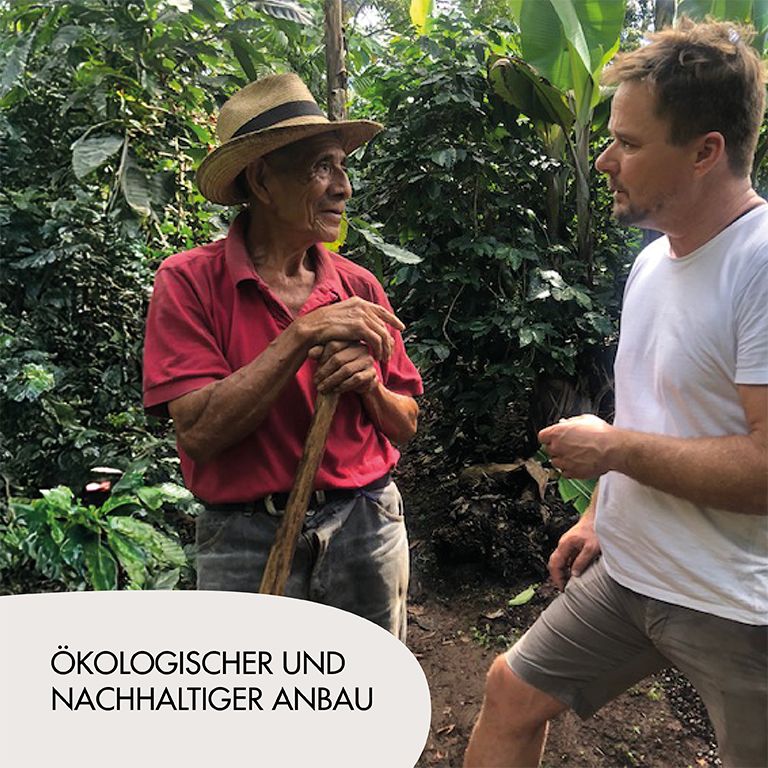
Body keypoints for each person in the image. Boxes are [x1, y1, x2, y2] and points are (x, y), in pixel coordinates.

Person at [465, 19, 767, 768]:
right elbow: (649, 408)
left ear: (705, 152)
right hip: (633, 573)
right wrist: (602, 513)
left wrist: (613, 452)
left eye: (628, 144)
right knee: (510, 694)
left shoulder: (758, 265)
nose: (604, 160)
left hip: (738, 603)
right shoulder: (652, 262)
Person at [143, 73, 422, 641]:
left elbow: (408, 423)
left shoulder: (358, 285)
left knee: (368, 703)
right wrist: (299, 337)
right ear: (263, 180)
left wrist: (369, 386)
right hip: (244, 540)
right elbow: (198, 432)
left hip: (366, 526)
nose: (342, 187)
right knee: (254, 716)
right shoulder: (189, 282)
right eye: (322, 166)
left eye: (343, 167)